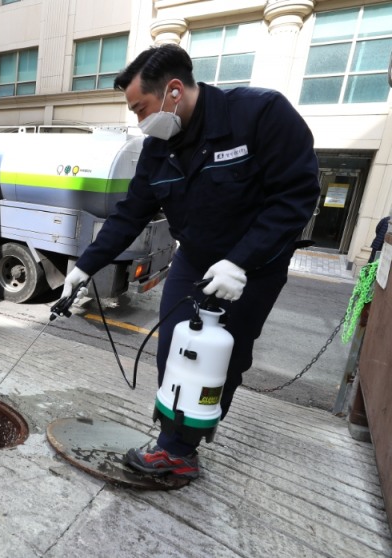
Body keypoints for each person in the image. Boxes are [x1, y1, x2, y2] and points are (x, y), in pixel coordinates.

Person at [61, 44, 320, 481]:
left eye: (140, 108)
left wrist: (240, 262)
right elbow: (131, 214)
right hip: (194, 259)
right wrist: (86, 266)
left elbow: (296, 196)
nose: (139, 121)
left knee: (219, 360)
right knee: (172, 351)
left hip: (252, 269)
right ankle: (173, 439)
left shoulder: (259, 115)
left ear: (174, 91)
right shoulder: (158, 147)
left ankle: (181, 451)